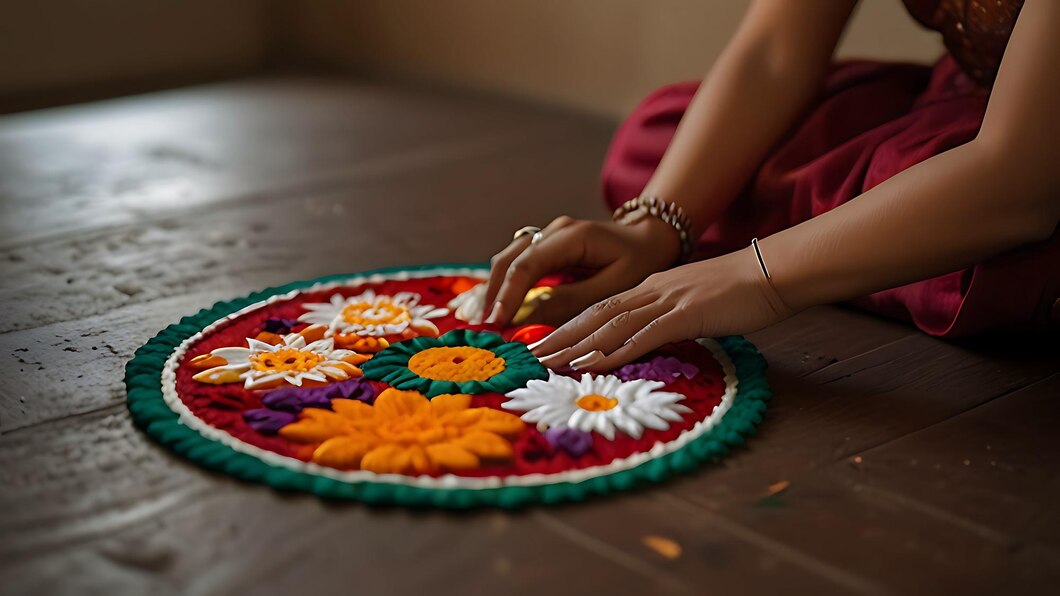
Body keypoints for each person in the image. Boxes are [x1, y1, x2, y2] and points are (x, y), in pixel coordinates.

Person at [479, 0, 1059, 372]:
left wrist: (754, 278)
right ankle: (886, 243)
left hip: (1027, 151)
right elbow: (774, 54)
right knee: (658, 137)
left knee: (991, 237)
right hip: (964, 101)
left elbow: (1016, 172)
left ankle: (894, 237)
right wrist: (655, 226)